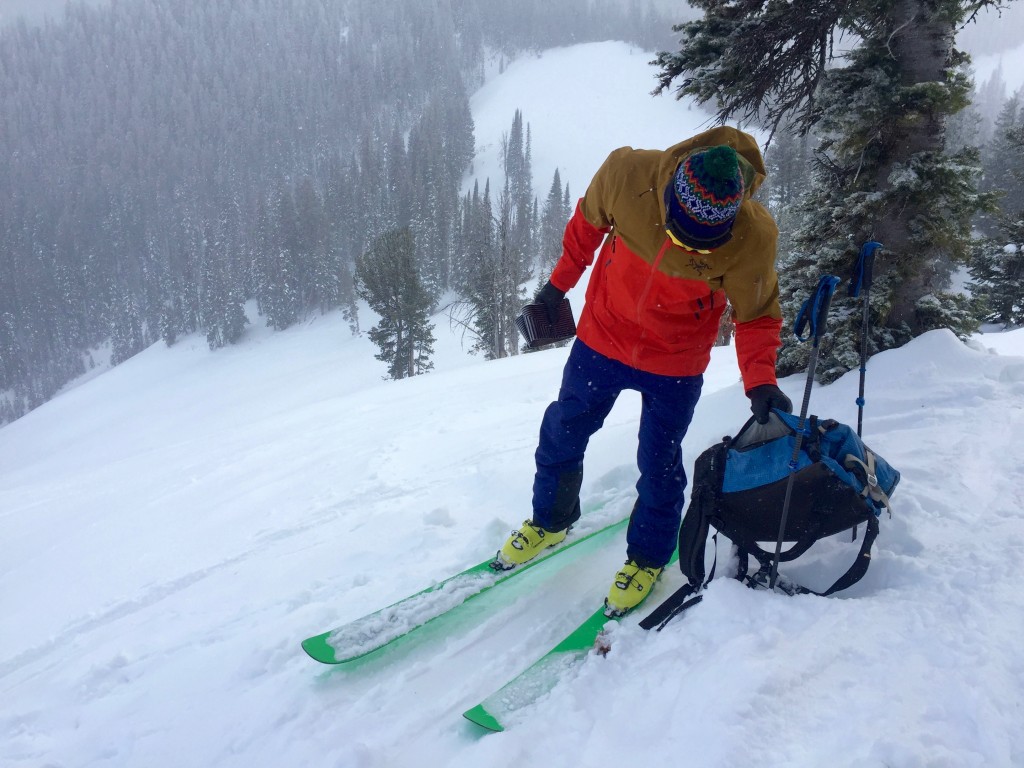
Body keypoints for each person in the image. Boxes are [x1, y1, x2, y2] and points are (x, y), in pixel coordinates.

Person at [492, 125, 792, 615]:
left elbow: (757, 313)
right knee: (562, 430)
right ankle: (550, 521)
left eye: (702, 245)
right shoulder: (628, 174)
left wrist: (760, 380)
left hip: (675, 362)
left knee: (659, 459)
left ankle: (648, 557)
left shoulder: (752, 237)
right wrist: (556, 287)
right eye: (679, 233)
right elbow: (586, 227)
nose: (688, 249)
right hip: (602, 339)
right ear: (669, 195)